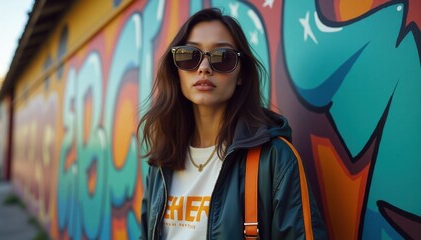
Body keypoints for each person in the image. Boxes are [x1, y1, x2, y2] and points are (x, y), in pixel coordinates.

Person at [138, 8, 327, 240]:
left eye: (222, 57)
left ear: (241, 75)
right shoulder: (161, 163)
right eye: (189, 55)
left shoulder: (275, 161)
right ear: (176, 69)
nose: (204, 68)